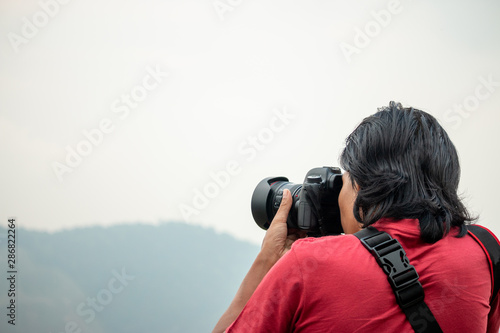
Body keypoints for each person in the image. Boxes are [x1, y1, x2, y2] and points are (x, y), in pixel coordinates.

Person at [212, 102, 500, 332]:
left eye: (343, 180)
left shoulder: (306, 264)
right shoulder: (485, 250)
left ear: (362, 185)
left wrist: (267, 261)